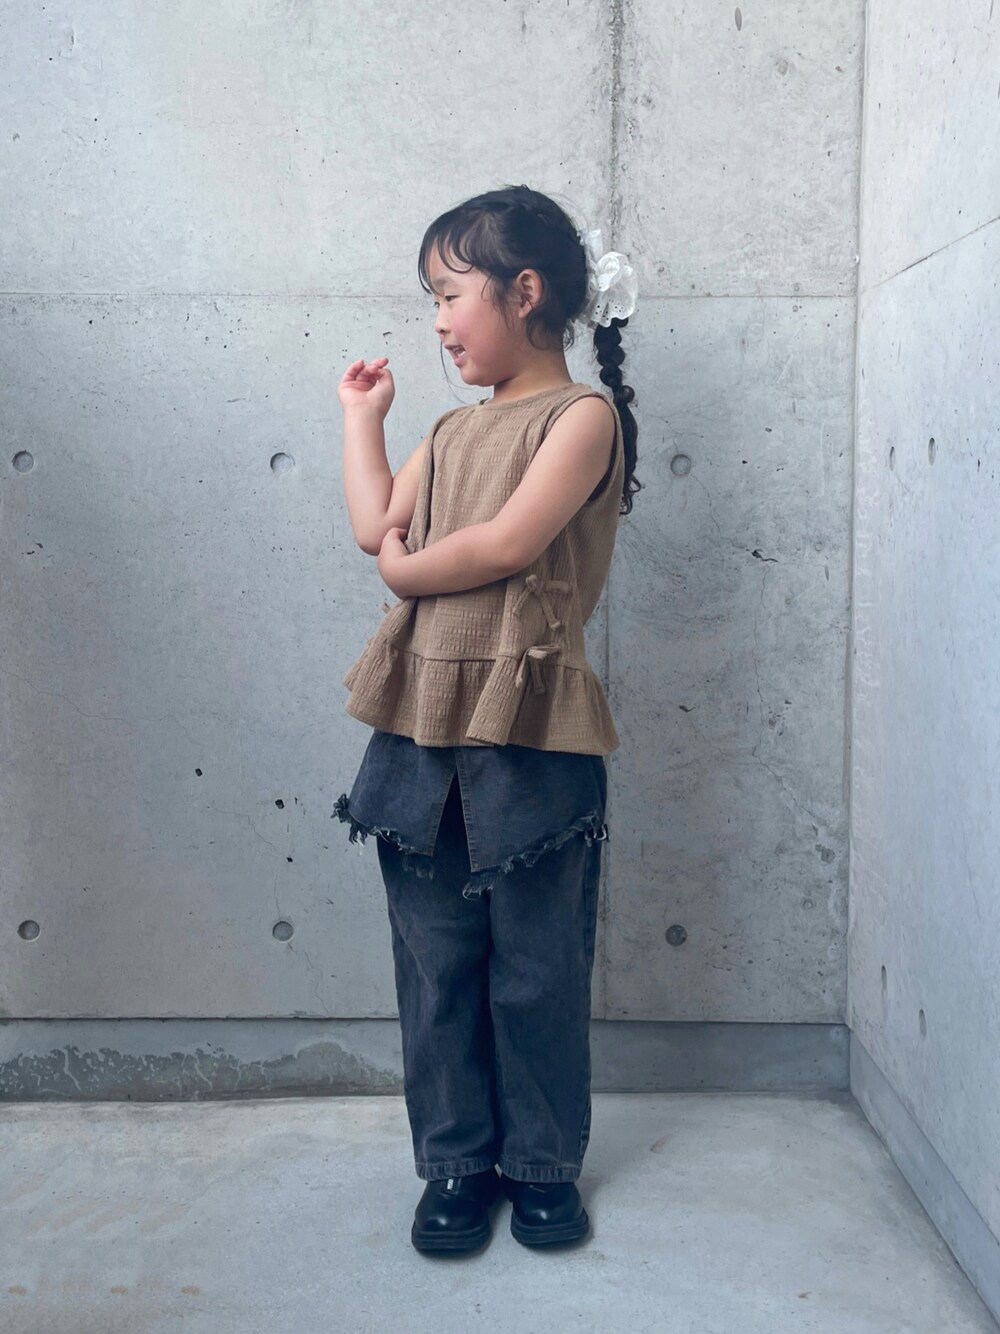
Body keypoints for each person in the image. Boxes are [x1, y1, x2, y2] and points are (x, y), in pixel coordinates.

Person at [332, 185, 640, 1254]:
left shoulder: (580, 418)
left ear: (525, 291)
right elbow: (375, 522)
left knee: (536, 970)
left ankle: (542, 1166)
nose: (436, 320)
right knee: (436, 964)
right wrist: (363, 422)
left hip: (531, 734)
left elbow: (506, 543)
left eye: (449, 293)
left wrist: (404, 569)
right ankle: (455, 1164)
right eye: (431, 299)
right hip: (421, 725)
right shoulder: (450, 427)